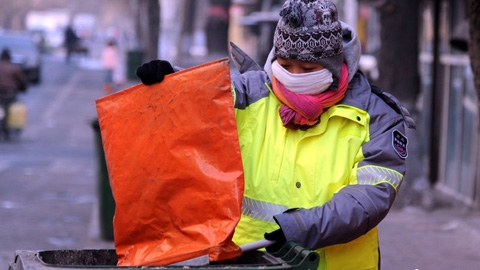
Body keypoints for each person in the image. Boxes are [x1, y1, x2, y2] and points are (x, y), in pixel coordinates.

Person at [135, 0, 415, 269]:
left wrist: (304, 226)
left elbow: (370, 197)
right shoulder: (252, 93)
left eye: (307, 69)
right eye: (284, 64)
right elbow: (208, 95)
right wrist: (173, 81)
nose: (293, 76)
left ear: (333, 64)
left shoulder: (377, 116)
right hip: (250, 261)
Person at [0, 48, 27, 141]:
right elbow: (22, 81)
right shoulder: (14, 68)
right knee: (7, 108)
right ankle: (5, 129)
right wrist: (23, 88)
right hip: (9, 93)